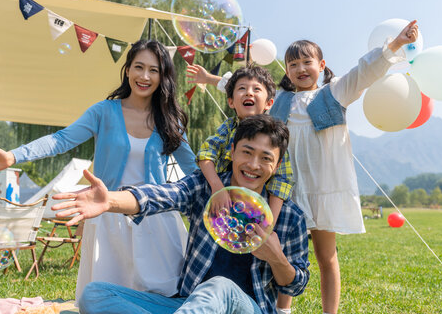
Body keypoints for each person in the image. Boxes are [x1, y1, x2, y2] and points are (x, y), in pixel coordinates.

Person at [186, 21, 419, 314]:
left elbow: (365, 71)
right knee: (281, 250)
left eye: (307, 62)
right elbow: (248, 91)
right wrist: (210, 79)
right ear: (286, 71)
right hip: (284, 190)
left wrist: (395, 44)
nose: (300, 69)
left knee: (326, 255)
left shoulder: (335, 93)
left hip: (324, 189)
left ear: (321, 65)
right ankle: (283, 309)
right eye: (293, 64)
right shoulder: (280, 100)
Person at [0, 40, 198, 303]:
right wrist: (12, 156)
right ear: (127, 69)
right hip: (108, 218)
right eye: (138, 67)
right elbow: (60, 140)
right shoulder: (104, 112)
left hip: (157, 220)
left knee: (163, 297)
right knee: (108, 301)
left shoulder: (170, 119)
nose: (144, 76)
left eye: (153, 70)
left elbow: (195, 171)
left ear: (163, 76)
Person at [52, 114, 310, 314]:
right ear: (232, 151)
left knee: (220, 287)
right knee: (95, 294)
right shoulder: (206, 187)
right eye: (247, 152)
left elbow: (295, 284)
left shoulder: (289, 216)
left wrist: (277, 258)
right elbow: (162, 195)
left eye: (265, 158)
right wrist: (110, 200)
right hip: (190, 306)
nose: (254, 165)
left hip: (247, 307)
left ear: (276, 165)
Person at [195, 65, 295, 313]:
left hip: (261, 209)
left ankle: (281, 308)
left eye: (256, 89)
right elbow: (205, 154)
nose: (248, 93)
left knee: (271, 251)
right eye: (241, 89)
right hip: (226, 204)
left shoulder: (275, 137)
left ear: (269, 102)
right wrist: (218, 188)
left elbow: (282, 182)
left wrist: (268, 222)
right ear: (231, 101)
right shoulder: (228, 129)